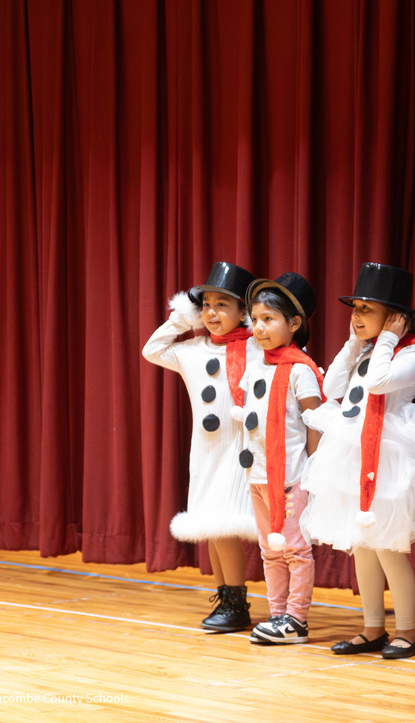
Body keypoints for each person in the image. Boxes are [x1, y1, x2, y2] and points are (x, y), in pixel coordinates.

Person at [301, 262, 415, 660]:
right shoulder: (366, 349)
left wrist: (387, 339)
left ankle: (408, 632)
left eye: (366, 309)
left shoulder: (413, 351)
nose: (356, 316)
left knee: (388, 548)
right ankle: (372, 627)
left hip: (389, 454)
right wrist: (352, 344)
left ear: (394, 316)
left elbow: (380, 382)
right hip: (353, 449)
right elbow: (331, 388)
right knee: (361, 545)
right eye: (354, 308)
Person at [142, 261, 260, 632]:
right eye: (205, 304)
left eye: (222, 304)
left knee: (224, 524)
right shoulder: (191, 349)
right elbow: (152, 349)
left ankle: (237, 602)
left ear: (243, 311)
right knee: (210, 525)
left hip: (240, 449)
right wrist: (182, 318)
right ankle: (226, 596)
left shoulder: (257, 348)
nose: (211, 312)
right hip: (206, 450)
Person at [236, 273, 325, 645]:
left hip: (290, 476)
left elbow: (314, 423)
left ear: (294, 323)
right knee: (269, 548)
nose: (259, 327)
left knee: (295, 549)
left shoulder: (301, 369)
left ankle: (297, 618)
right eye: (254, 319)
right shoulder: (256, 365)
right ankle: (276, 615)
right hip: (258, 475)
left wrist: (315, 470)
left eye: (269, 319)